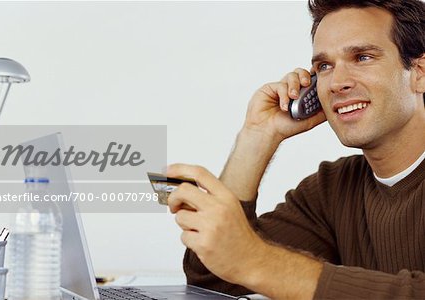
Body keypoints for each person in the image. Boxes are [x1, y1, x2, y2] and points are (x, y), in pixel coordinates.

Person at [166, 0, 425, 299]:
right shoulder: (333, 189)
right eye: (324, 66)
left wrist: (257, 261)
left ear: (418, 72)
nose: (337, 82)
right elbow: (211, 279)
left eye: (362, 57)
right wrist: (259, 135)